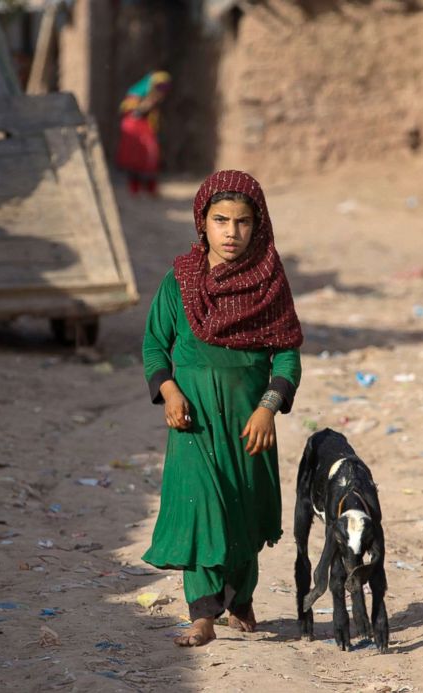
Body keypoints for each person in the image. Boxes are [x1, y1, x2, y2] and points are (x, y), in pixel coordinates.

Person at [142, 170, 303, 647]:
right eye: (221, 220)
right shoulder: (181, 281)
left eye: (243, 221)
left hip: (248, 423)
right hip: (193, 422)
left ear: (259, 225)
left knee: (243, 512)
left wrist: (268, 407)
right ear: (203, 223)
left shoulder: (270, 284)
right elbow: (155, 346)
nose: (232, 232)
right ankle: (202, 614)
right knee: (202, 508)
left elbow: (288, 353)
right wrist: (169, 392)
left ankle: (240, 598)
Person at [116, 71, 172, 196]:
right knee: (135, 162)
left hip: (146, 134)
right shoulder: (135, 96)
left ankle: (150, 190)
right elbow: (131, 113)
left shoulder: (154, 99)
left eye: (165, 87)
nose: (162, 91)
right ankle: (135, 190)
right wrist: (146, 105)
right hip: (134, 136)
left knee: (150, 161)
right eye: (160, 87)